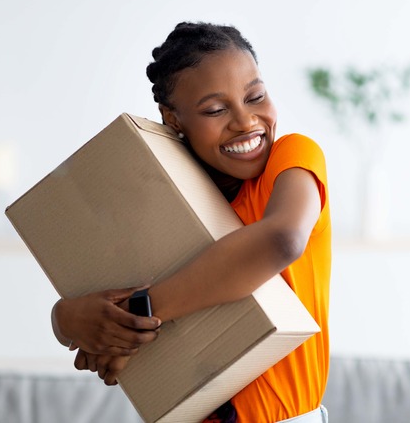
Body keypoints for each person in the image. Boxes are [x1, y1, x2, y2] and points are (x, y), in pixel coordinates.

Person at [51, 21, 331, 423]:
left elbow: (283, 240)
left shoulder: (292, 161)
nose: (245, 121)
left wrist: (140, 313)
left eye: (256, 96)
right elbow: (99, 277)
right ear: (174, 119)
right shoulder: (163, 193)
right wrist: (66, 321)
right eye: (215, 110)